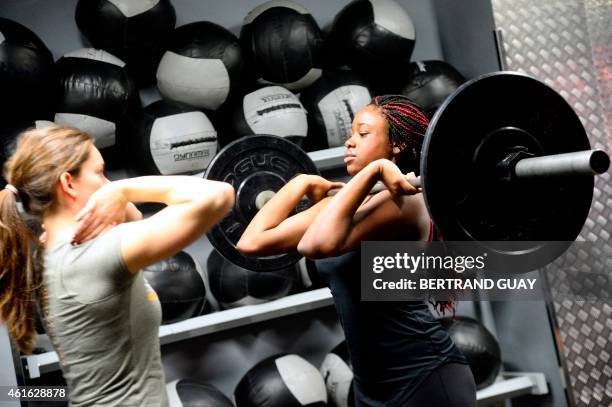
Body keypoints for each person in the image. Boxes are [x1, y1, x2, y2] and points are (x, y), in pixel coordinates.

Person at [237, 95, 477, 407]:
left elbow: (314, 245)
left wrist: (374, 171)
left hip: (424, 375)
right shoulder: (345, 202)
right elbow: (252, 243)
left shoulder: (402, 201)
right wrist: (299, 182)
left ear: (397, 145)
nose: (350, 142)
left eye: (363, 134)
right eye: (350, 134)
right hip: (372, 384)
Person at [0, 125, 234, 406]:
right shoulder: (94, 256)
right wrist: (123, 189)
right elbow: (220, 195)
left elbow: (134, 220)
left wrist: (117, 200)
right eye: (100, 172)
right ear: (68, 183)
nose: (107, 183)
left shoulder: (54, 253)